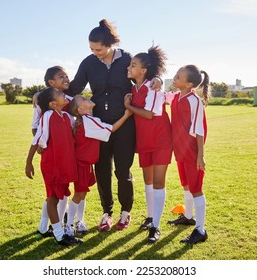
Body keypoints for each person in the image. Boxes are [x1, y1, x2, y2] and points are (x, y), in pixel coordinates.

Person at [65, 19, 162, 231]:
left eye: (98, 49)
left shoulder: (126, 58)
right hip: (99, 125)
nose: (95, 53)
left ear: (109, 43)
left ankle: (125, 212)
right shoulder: (88, 63)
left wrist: (159, 81)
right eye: (91, 49)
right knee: (102, 170)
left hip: (125, 122)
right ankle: (106, 213)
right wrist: (48, 93)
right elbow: (74, 88)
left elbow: (145, 74)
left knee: (123, 170)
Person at [64, 95, 132, 236]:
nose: (87, 97)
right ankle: (69, 225)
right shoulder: (89, 121)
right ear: (81, 109)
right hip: (82, 164)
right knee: (78, 195)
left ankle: (79, 222)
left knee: (82, 194)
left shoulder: (85, 118)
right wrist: (126, 114)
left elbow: (71, 99)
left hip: (86, 164)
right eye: (84, 99)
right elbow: (112, 129)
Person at [124, 46, 172, 243]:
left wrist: (129, 106)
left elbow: (149, 114)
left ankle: (156, 227)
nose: (129, 67)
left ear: (143, 70)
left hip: (160, 139)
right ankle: (151, 217)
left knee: (159, 183)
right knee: (148, 182)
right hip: (144, 140)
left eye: (133, 65)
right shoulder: (134, 88)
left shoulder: (152, 86)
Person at [25, 87, 82, 246]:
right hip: (52, 164)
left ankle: (48, 230)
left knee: (59, 196)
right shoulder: (48, 116)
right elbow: (37, 139)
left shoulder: (65, 116)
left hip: (64, 165)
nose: (63, 94)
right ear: (53, 104)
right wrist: (28, 162)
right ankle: (59, 235)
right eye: (59, 94)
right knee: (52, 198)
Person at [166, 65, 210, 244]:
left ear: (189, 84)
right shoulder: (176, 96)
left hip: (192, 150)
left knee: (196, 188)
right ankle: (188, 216)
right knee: (186, 184)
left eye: (178, 76)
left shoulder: (195, 100)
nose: (175, 77)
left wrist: (200, 155)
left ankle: (200, 229)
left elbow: (200, 129)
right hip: (180, 150)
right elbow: (160, 96)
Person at [31, 66, 73, 237]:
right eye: (61, 76)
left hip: (67, 152)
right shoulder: (42, 102)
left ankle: (52, 225)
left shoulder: (70, 100)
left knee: (61, 191)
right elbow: (35, 126)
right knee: (53, 192)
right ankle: (46, 226)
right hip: (52, 154)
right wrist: (41, 144)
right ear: (51, 82)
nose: (66, 78)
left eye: (66, 75)